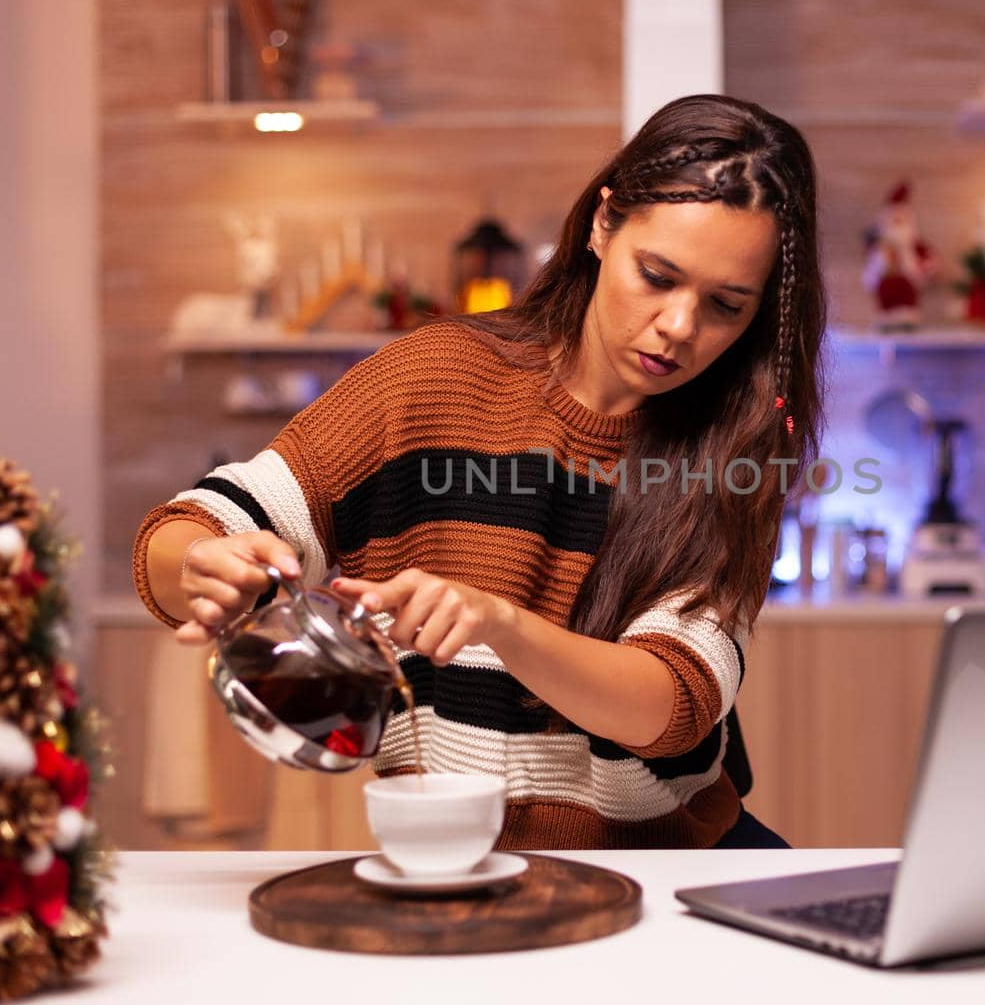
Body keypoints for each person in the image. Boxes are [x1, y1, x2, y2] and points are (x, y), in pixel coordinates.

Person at [132, 94, 826, 849]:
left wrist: (500, 623)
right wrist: (204, 563)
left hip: (672, 866)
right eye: (657, 276)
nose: (681, 326)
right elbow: (190, 530)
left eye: (726, 305)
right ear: (602, 225)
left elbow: (673, 705)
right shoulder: (432, 378)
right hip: (460, 860)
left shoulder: (736, 451)